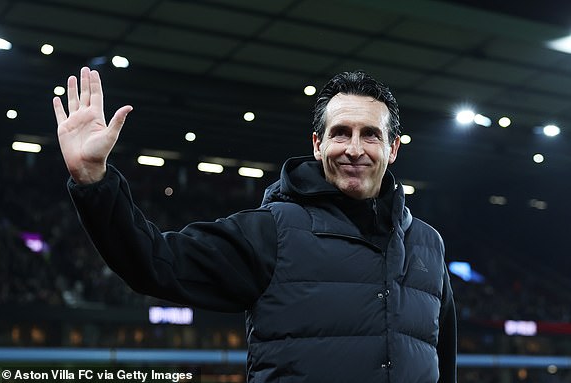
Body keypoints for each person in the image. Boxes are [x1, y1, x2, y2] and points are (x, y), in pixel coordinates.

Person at [54, 67, 457, 383]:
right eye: (340, 133)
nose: (354, 149)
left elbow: (443, 360)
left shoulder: (428, 244)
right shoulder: (269, 232)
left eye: (370, 135)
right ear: (317, 145)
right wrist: (94, 180)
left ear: (394, 148)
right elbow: (153, 261)